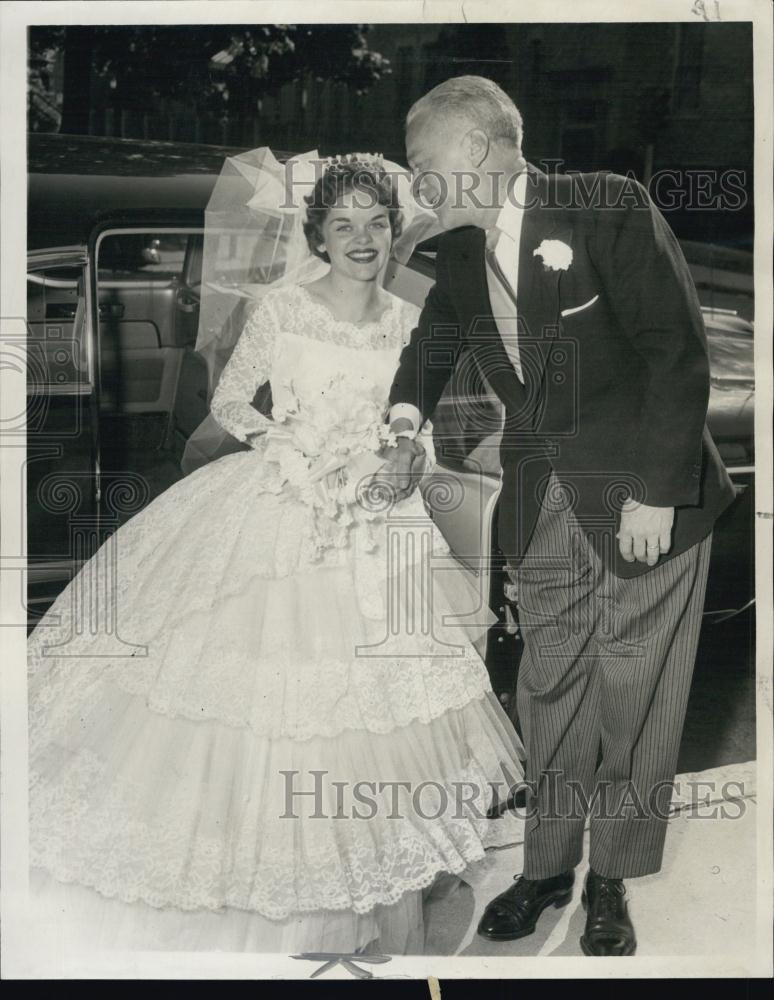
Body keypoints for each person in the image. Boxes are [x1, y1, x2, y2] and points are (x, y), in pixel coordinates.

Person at [27, 153, 524, 956]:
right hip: (280, 504)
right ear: (318, 237)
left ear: (393, 232)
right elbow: (230, 401)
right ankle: (258, 901)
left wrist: (398, 459)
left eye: (376, 223)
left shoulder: (412, 318)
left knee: (381, 713)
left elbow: (423, 425)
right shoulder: (284, 308)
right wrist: (291, 446)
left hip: (379, 521)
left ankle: (367, 887)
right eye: (343, 225)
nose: (361, 239)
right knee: (260, 705)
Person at [387, 76, 736, 956]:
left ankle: (611, 876)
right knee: (547, 686)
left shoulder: (605, 206)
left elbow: (675, 350)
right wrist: (403, 417)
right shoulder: (458, 250)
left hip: (642, 495)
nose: (415, 184)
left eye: (422, 164)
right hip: (542, 498)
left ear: (475, 149)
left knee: (634, 689)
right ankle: (545, 867)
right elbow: (432, 342)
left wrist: (656, 493)